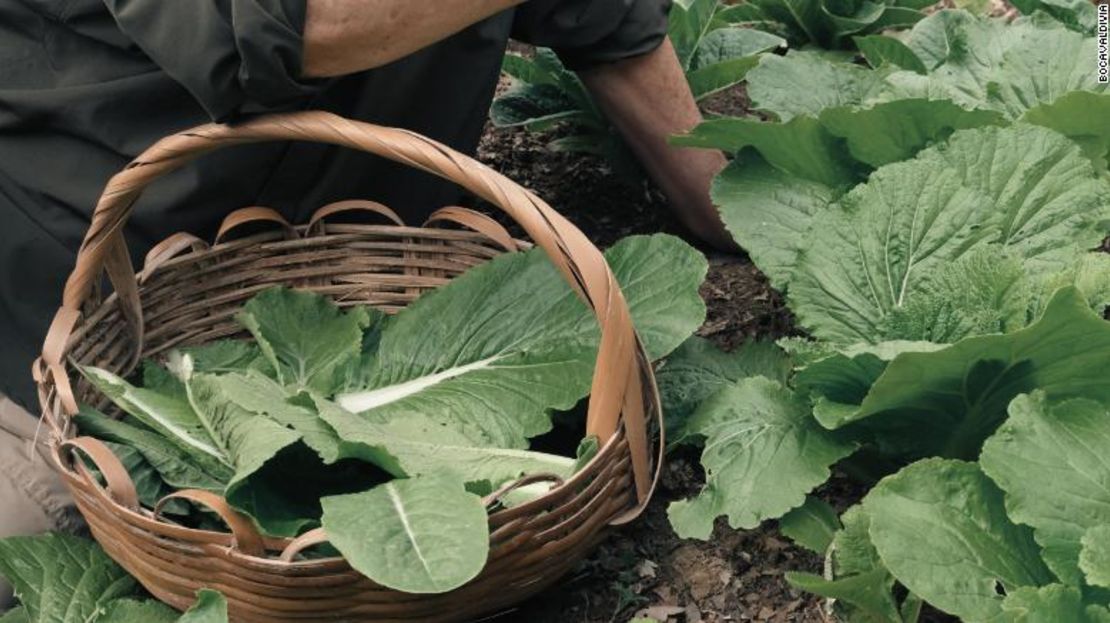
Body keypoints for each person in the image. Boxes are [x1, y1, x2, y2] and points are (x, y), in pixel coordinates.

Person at [0, 0, 730, 606]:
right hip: (72, 334)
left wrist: (734, 205)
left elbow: (607, 25)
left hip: (357, 316)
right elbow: (281, 27)